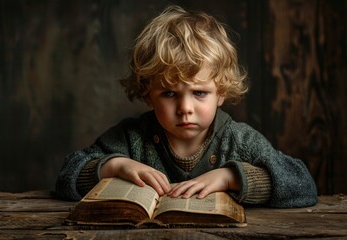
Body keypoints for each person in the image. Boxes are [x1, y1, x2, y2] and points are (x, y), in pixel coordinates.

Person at [55, 5, 317, 208]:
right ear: (147, 94)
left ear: (221, 93)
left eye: (200, 93)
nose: (185, 108)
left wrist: (230, 178)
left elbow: (303, 184)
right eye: (169, 93)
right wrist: (115, 166)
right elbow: (66, 176)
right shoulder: (132, 138)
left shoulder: (239, 140)